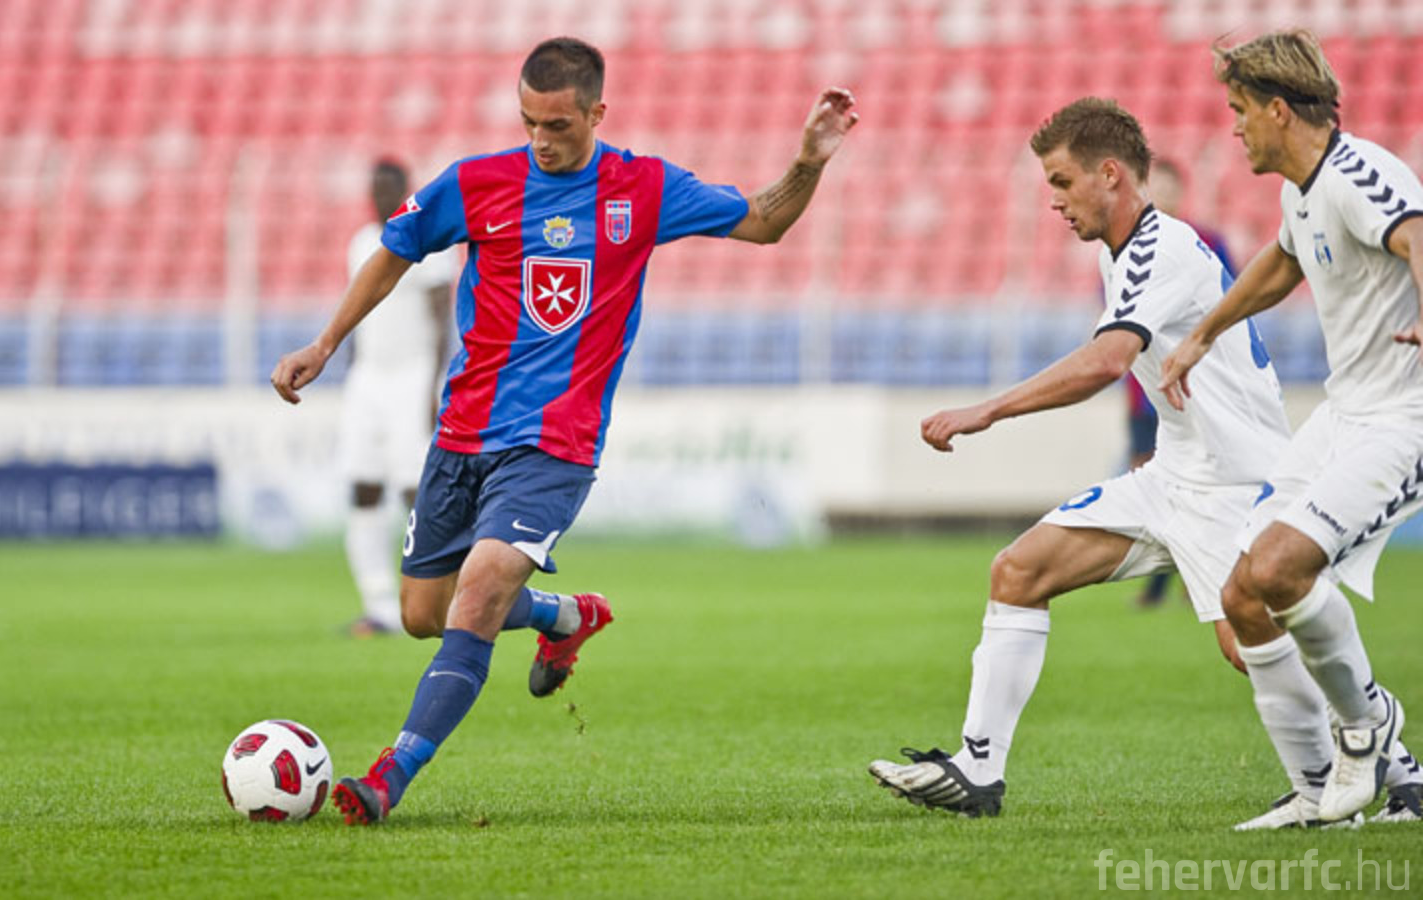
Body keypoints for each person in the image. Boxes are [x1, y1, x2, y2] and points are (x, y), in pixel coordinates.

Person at [271, 36, 858, 825]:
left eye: (558, 125)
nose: (541, 140)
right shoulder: (476, 183)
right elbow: (395, 251)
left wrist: (809, 162)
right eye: (529, 123)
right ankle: (563, 615)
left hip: (556, 443)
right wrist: (324, 343)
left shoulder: (641, 188)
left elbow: (761, 221)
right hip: (462, 434)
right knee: (422, 615)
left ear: (595, 113)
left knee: (481, 588)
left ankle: (389, 776)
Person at [868, 97, 1293, 817]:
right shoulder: (1119, 250)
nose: (1054, 201)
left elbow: (1106, 361)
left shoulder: (1162, 250)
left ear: (1109, 174)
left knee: (1247, 644)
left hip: (1232, 483)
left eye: (1063, 182)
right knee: (1019, 571)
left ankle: (1393, 768)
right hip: (1174, 473)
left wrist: (987, 410)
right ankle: (977, 770)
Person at [1159, 28, 1422, 826]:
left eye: (1240, 110)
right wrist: (1203, 334)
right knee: (1244, 595)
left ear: (1278, 110)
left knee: (1279, 570)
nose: (1234, 126)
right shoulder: (1303, 191)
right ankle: (1335, 786)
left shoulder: (1360, 172)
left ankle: (1368, 727)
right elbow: (1282, 262)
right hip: (1345, 414)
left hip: (1403, 421)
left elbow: (1418, 233)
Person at [337, 160, 455, 637]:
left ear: (406, 190)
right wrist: (350, 370)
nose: (380, 197)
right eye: (375, 188)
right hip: (368, 377)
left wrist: (434, 384)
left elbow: (441, 319)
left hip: (413, 375)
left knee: (415, 491)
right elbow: (358, 310)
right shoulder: (362, 242)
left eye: (389, 188)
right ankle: (379, 604)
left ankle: (435, 596)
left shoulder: (430, 241)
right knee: (363, 487)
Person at [1125, 159, 1234, 608]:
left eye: (1169, 188)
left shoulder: (1206, 242)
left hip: (1195, 387)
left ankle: (1198, 576)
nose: (1162, 196)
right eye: (1156, 188)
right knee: (1151, 485)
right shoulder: (1127, 248)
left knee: (1201, 485)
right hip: (1145, 394)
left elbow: (1230, 303)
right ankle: (1159, 584)